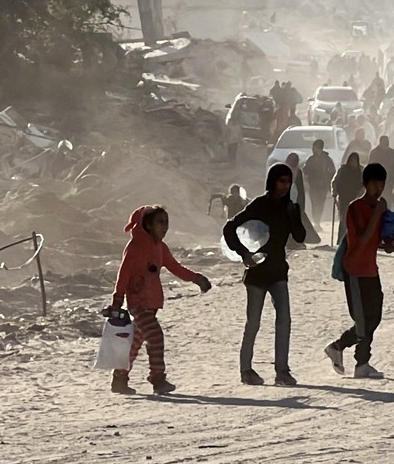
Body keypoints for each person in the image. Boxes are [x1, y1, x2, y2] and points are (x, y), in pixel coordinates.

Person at [110, 205, 213, 396]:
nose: (165, 227)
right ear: (148, 224)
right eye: (160, 222)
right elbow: (123, 275)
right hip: (138, 303)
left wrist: (196, 278)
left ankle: (119, 379)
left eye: (166, 222)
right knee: (156, 337)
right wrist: (117, 300)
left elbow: (175, 267)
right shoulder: (135, 247)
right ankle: (158, 379)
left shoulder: (160, 248)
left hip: (151, 305)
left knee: (135, 342)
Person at [223, 163, 311, 387]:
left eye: (288, 181)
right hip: (257, 271)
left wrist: (294, 216)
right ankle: (246, 370)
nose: (285, 185)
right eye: (281, 181)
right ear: (272, 181)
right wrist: (243, 254)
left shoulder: (290, 207)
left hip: (279, 270)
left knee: (284, 320)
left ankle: (282, 370)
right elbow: (230, 227)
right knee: (253, 322)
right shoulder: (259, 205)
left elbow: (300, 237)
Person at [327, 162, 394, 379]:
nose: (379, 189)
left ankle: (362, 363)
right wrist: (378, 212)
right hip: (355, 269)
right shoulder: (356, 208)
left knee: (374, 317)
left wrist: (390, 244)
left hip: (370, 269)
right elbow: (363, 238)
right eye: (375, 184)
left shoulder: (377, 208)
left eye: (382, 184)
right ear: (366, 184)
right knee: (362, 321)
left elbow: (375, 240)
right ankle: (338, 347)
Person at [303, 139, 336, 224]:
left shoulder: (327, 159)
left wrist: (328, 179)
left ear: (319, 148)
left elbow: (332, 170)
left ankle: (317, 221)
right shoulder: (311, 159)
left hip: (323, 185)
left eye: (314, 147)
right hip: (313, 184)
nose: (313, 149)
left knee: (320, 203)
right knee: (314, 203)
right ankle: (316, 221)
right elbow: (306, 169)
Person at [332, 152, 364, 239]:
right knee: (344, 220)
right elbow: (334, 182)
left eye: (355, 161)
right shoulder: (342, 170)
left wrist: (360, 196)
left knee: (354, 221)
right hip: (343, 198)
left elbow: (364, 185)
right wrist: (334, 192)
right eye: (351, 161)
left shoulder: (361, 171)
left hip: (356, 199)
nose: (353, 163)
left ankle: (353, 240)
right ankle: (341, 240)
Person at [370, 135, 394, 201]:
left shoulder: (392, 153)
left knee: (387, 201)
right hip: (377, 181)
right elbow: (370, 168)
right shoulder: (374, 153)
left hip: (389, 182)